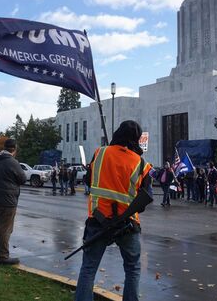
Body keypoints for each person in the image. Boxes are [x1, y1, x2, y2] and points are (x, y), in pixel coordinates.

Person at [75, 120, 153, 301]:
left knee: (88, 268)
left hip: (98, 220)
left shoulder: (100, 153)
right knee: (132, 269)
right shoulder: (141, 163)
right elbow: (145, 197)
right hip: (128, 224)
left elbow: (88, 181)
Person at [0, 139, 27, 265]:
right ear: (14, 149)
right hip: (7, 201)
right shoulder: (13, 162)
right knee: (5, 229)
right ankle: (2, 256)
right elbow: (23, 179)